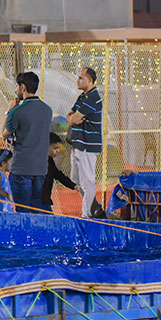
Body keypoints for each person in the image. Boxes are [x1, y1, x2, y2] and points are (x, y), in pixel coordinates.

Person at [2, 71, 52, 213]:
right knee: (37, 209)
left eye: (17, 86)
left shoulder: (17, 111)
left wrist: (9, 111)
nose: (16, 90)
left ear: (23, 87)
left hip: (22, 167)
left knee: (22, 211)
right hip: (41, 168)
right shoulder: (47, 110)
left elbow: (4, 133)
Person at [66, 67, 102, 218]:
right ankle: (93, 206)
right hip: (77, 145)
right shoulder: (82, 97)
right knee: (76, 181)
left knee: (87, 183)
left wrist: (74, 118)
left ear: (90, 80)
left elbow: (74, 118)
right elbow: (70, 116)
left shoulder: (93, 98)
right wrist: (73, 119)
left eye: (81, 78)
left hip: (87, 146)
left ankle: (87, 216)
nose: (78, 80)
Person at [42, 133, 81, 213]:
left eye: (58, 148)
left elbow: (58, 175)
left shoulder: (50, 162)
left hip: (44, 199)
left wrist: (73, 185)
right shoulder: (41, 161)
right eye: (55, 148)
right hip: (40, 199)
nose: (58, 151)